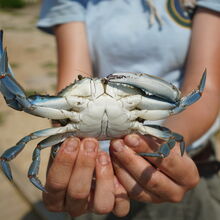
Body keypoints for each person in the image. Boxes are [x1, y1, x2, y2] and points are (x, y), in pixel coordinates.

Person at [37, 0, 220, 219]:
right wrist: (66, 145)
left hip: (179, 162)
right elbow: (68, 89)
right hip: (96, 165)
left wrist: (162, 148)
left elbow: (202, 90)